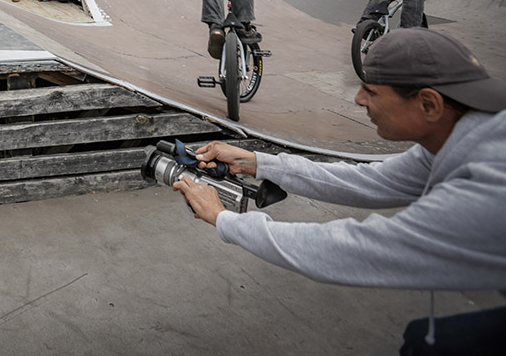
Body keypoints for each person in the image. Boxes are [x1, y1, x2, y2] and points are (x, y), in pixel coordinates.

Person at [173, 28, 506, 355]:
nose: (359, 99)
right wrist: (258, 162)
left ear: (429, 104)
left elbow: (353, 251)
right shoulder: (455, 135)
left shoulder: (489, 188)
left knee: (426, 345)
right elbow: (370, 181)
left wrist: (224, 219)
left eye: (371, 92)